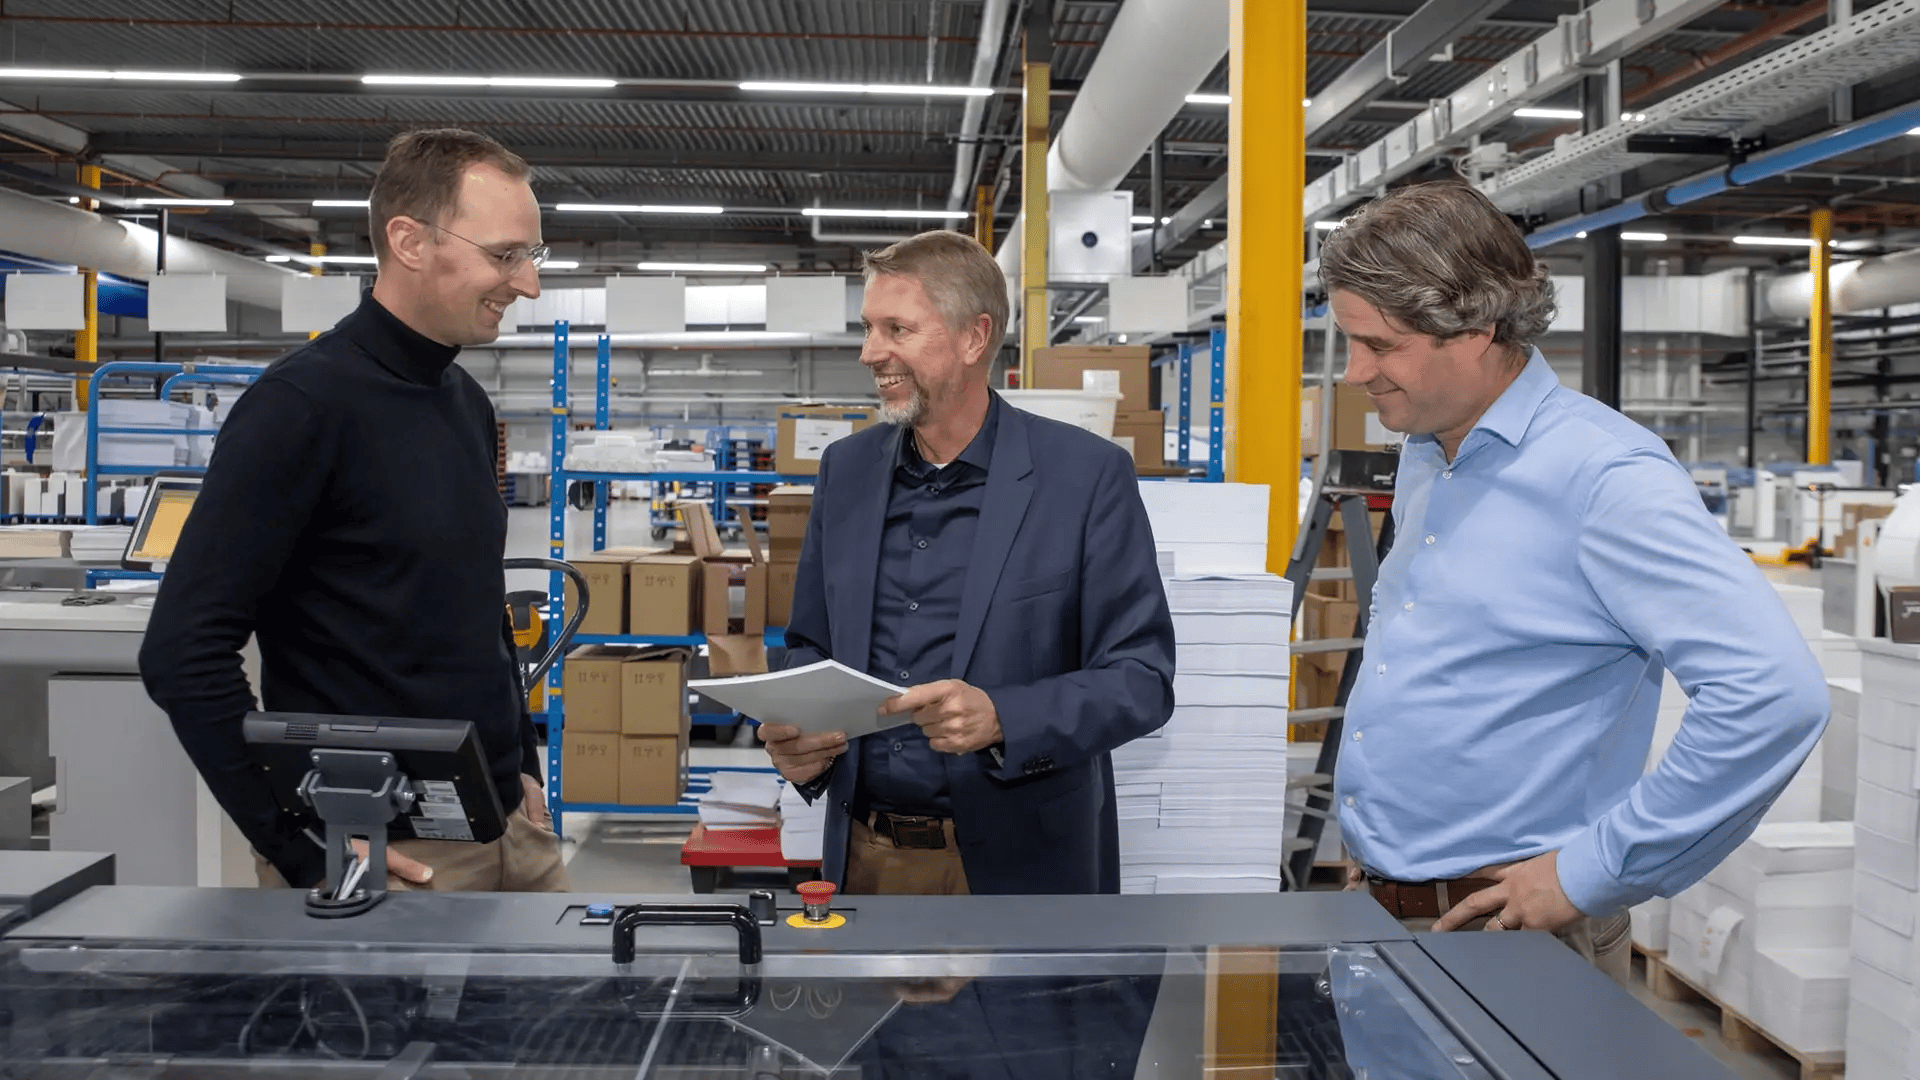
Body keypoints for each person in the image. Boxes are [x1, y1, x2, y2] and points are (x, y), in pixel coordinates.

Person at [1319, 181, 1828, 981]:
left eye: (1380, 346)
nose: (1355, 373)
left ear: (1476, 326)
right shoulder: (1429, 454)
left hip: (1506, 935)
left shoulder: (1605, 477)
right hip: (1388, 908)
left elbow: (1772, 695)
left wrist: (1589, 872)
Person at [139, 128, 563, 893]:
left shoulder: (466, 403)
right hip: (383, 853)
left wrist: (520, 766)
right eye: (506, 255)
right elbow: (182, 652)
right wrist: (301, 845)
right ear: (409, 241)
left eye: (532, 255)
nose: (527, 284)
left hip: (509, 828)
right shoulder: (300, 408)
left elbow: (475, 610)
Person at [758, 230, 1176, 895]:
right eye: (868, 328)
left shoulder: (1083, 477)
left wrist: (1005, 717)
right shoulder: (846, 470)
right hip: (866, 860)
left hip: (1024, 870)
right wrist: (802, 737)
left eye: (897, 329)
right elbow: (809, 643)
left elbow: (1141, 679)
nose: (870, 353)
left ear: (974, 338)